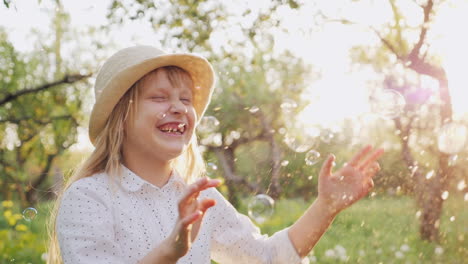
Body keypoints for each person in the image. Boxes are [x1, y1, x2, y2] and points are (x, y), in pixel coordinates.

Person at [47, 45, 384, 264]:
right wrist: (169, 252)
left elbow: (266, 257)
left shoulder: (199, 197)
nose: (179, 108)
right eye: (160, 97)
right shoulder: (90, 197)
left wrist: (326, 207)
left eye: (185, 99)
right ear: (121, 116)